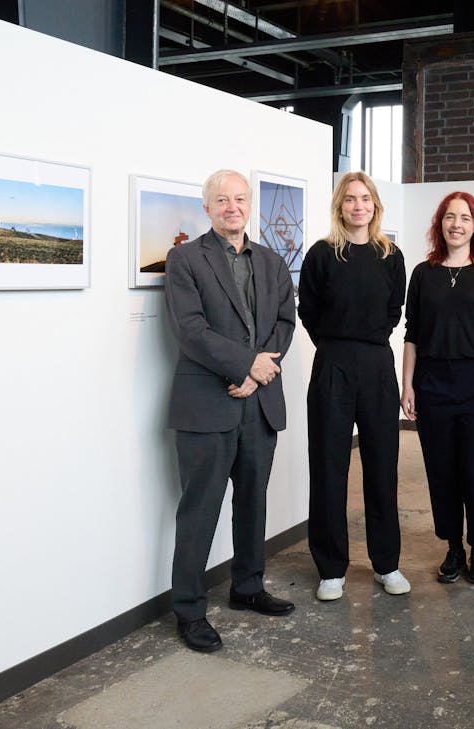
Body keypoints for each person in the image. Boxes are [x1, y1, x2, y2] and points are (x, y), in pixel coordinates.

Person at [163, 168, 297, 653]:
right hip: (207, 405)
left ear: (249, 205)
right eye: (222, 200)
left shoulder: (272, 261)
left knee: (253, 502)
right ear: (207, 207)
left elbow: (286, 320)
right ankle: (190, 610)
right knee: (199, 512)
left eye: (240, 199)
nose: (232, 207)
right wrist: (242, 368)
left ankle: (248, 587)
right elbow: (190, 329)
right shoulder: (183, 260)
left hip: (258, 406)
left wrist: (259, 372)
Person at [298, 171, 410, 601]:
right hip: (333, 363)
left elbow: (393, 308)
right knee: (328, 465)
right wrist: (335, 343)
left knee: (382, 465)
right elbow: (308, 309)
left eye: (365, 198)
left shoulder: (391, 255)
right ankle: (331, 568)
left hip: (378, 363)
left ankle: (387, 564)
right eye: (350, 199)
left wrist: (367, 339)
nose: (358, 205)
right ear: (339, 206)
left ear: (375, 206)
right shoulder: (323, 254)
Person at [401, 191, 474, 584]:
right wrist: (408, 385)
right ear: (440, 223)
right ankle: (453, 547)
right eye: (450, 217)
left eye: (465, 218)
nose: (456, 224)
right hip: (433, 385)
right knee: (442, 470)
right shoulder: (423, 273)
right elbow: (411, 334)